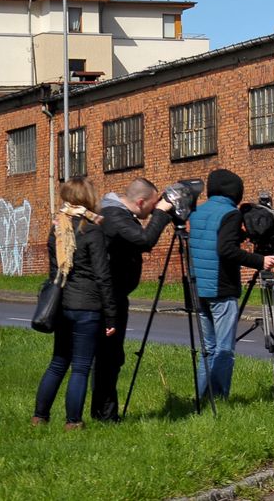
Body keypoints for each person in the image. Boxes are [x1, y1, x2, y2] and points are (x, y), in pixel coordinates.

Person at [32, 178, 117, 430]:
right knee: (80, 367)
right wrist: (111, 316)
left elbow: (53, 273)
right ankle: (73, 422)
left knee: (58, 362)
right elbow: (103, 276)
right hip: (88, 306)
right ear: (88, 198)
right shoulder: (91, 230)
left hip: (62, 305)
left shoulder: (57, 227)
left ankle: (39, 417)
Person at [189, 169, 274, 400]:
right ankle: (218, 398)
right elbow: (225, 249)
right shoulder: (230, 214)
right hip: (221, 287)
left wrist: (238, 236)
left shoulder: (196, 212)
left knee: (207, 350)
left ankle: (202, 399)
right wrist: (260, 261)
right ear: (235, 192)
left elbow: (210, 242)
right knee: (225, 349)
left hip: (198, 289)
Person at [90, 178, 173, 422]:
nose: (155, 208)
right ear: (141, 202)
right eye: (153, 204)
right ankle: (105, 417)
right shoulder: (114, 215)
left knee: (111, 357)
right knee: (108, 358)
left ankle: (104, 414)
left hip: (114, 296)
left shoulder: (117, 213)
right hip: (108, 299)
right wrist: (161, 214)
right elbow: (145, 240)